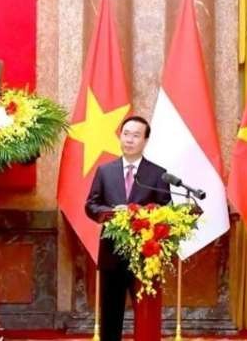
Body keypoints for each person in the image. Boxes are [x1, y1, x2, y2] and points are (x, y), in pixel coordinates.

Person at [85, 116, 171, 341]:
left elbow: (165, 208)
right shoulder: (106, 171)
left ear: (145, 140)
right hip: (112, 254)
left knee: (146, 316)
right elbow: (91, 205)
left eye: (135, 135)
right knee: (110, 315)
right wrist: (112, 213)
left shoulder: (158, 174)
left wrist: (138, 212)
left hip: (145, 256)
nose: (129, 140)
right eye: (126, 134)